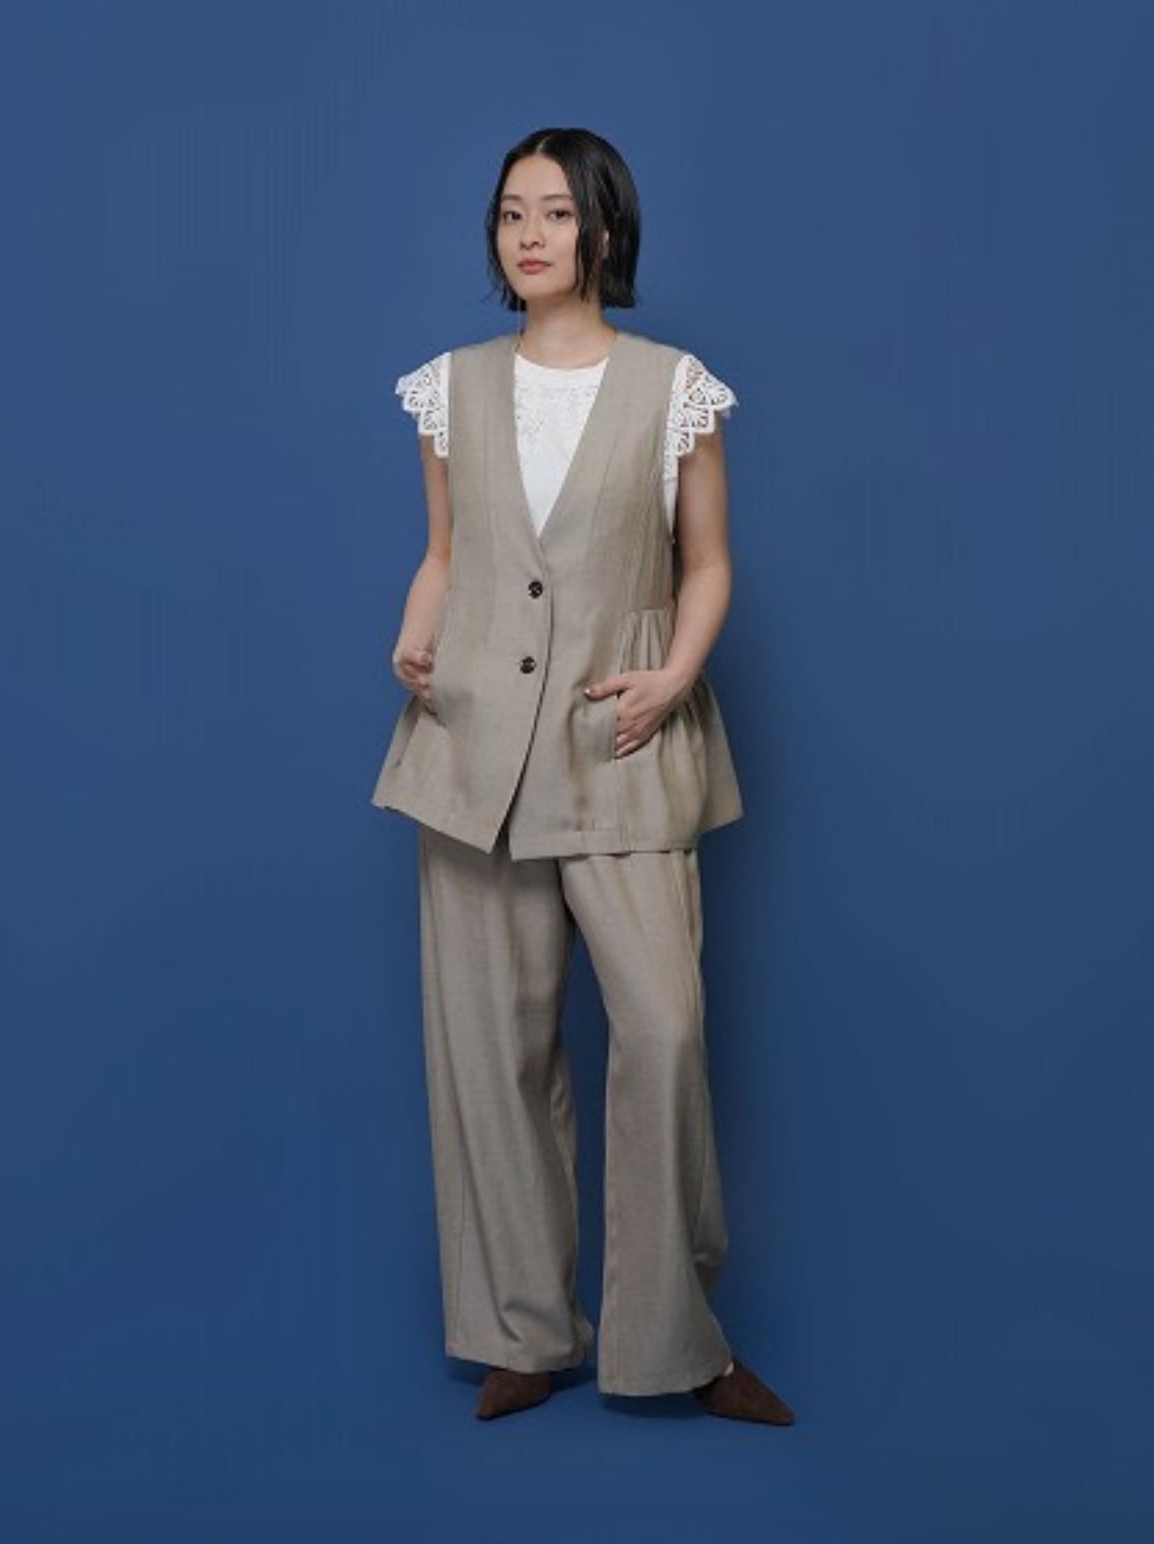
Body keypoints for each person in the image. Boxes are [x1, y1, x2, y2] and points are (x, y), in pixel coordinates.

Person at [372, 126, 795, 1426]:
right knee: (491, 1055)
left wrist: (674, 679)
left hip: (622, 746)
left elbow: (707, 563)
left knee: (662, 1032)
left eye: (556, 212)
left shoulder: (675, 390)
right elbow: (447, 554)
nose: (530, 235)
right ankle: (524, 1332)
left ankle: (678, 1341)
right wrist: (413, 636)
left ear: (604, 228)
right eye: (512, 213)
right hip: (473, 756)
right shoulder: (448, 388)